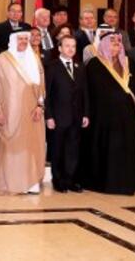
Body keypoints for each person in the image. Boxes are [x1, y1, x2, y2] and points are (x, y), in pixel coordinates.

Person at [83, 31, 135, 195]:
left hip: (128, 116)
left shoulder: (129, 63)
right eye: (112, 44)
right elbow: (91, 92)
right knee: (108, 149)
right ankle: (107, 183)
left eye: (118, 44)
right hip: (104, 119)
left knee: (127, 148)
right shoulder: (95, 64)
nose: (116, 47)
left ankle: (128, 182)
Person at [0, 30, 46, 195]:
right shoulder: (2, 60)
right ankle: (11, 183)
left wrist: (40, 106)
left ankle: (31, 183)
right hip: (10, 112)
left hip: (32, 112)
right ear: (13, 40)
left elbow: (41, 85)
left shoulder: (34, 59)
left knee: (31, 147)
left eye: (26, 39)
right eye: (20, 39)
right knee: (12, 148)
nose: (23, 41)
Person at [44, 35, 88, 193]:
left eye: (73, 46)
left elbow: (85, 93)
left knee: (73, 149)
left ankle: (70, 179)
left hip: (76, 116)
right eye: (67, 46)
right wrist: (48, 116)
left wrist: (86, 114)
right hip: (58, 117)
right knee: (58, 149)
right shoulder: (52, 67)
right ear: (60, 48)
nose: (71, 49)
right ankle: (58, 180)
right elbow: (46, 94)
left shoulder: (80, 66)